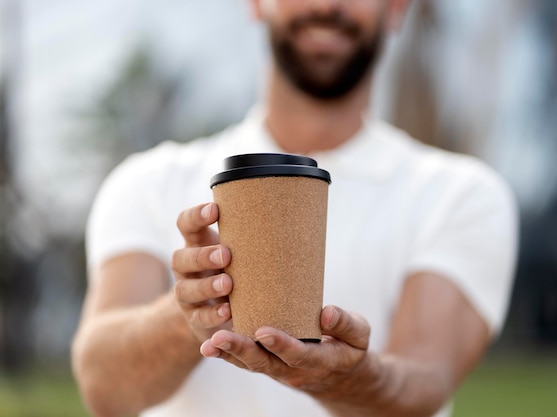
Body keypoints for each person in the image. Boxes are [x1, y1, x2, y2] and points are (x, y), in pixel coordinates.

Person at [71, 1, 518, 416]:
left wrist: (349, 379)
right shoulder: (149, 182)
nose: (326, 5)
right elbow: (102, 385)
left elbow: (426, 379)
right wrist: (188, 313)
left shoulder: (459, 195)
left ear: (397, 6)